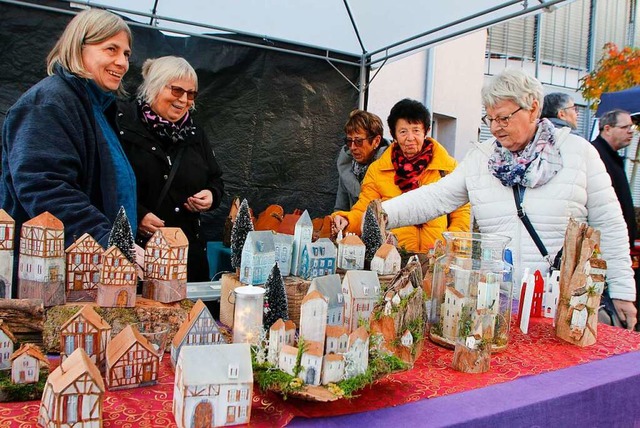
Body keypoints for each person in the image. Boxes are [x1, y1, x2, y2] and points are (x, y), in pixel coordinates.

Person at [379, 69, 637, 330]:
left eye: (503, 118)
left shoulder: (579, 154)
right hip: (499, 307)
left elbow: (610, 224)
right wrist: (381, 213)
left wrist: (623, 291)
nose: (494, 128)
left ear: (533, 108)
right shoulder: (482, 159)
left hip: (564, 306)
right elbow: (435, 197)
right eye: (489, 118)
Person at [0, 9, 136, 295]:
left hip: (93, 268)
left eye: (126, 53)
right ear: (79, 47)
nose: (122, 62)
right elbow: (45, 187)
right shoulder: (49, 103)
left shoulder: (98, 107)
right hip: (52, 276)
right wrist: (108, 240)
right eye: (110, 49)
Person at [117, 56, 224, 282]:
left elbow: (215, 179)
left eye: (191, 94)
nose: (184, 100)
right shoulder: (124, 125)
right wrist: (136, 215)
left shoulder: (195, 133)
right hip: (139, 255)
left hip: (187, 256)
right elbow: (106, 182)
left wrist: (211, 196)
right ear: (155, 85)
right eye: (176, 90)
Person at [332, 99, 470, 252]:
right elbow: (366, 211)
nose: (410, 138)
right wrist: (347, 220)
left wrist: (451, 247)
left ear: (426, 131)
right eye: (403, 132)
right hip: (393, 256)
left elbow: (461, 214)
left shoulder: (447, 167)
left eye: (416, 130)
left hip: (437, 257)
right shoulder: (378, 170)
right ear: (394, 134)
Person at [592, 109, 638, 327]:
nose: (631, 132)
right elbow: (604, 219)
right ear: (607, 129)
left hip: (616, 253)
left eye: (631, 127)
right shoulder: (596, 157)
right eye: (625, 127)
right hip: (600, 258)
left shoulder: (614, 158)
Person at [334, 110, 390, 211]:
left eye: (359, 141)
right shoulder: (346, 166)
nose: (352, 147)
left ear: (376, 141)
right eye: (349, 141)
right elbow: (340, 209)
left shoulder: (390, 165)